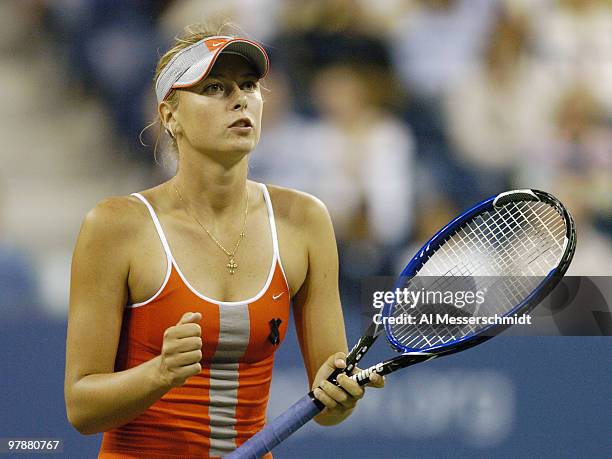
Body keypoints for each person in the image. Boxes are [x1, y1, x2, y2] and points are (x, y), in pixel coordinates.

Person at [64, 25, 383, 458]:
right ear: (169, 116)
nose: (240, 99)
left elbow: (327, 406)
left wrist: (340, 396)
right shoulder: (115, 226)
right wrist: (158, 374)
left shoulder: (305, 220)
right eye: (214, 87)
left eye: (249, 85)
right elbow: (82, 408)